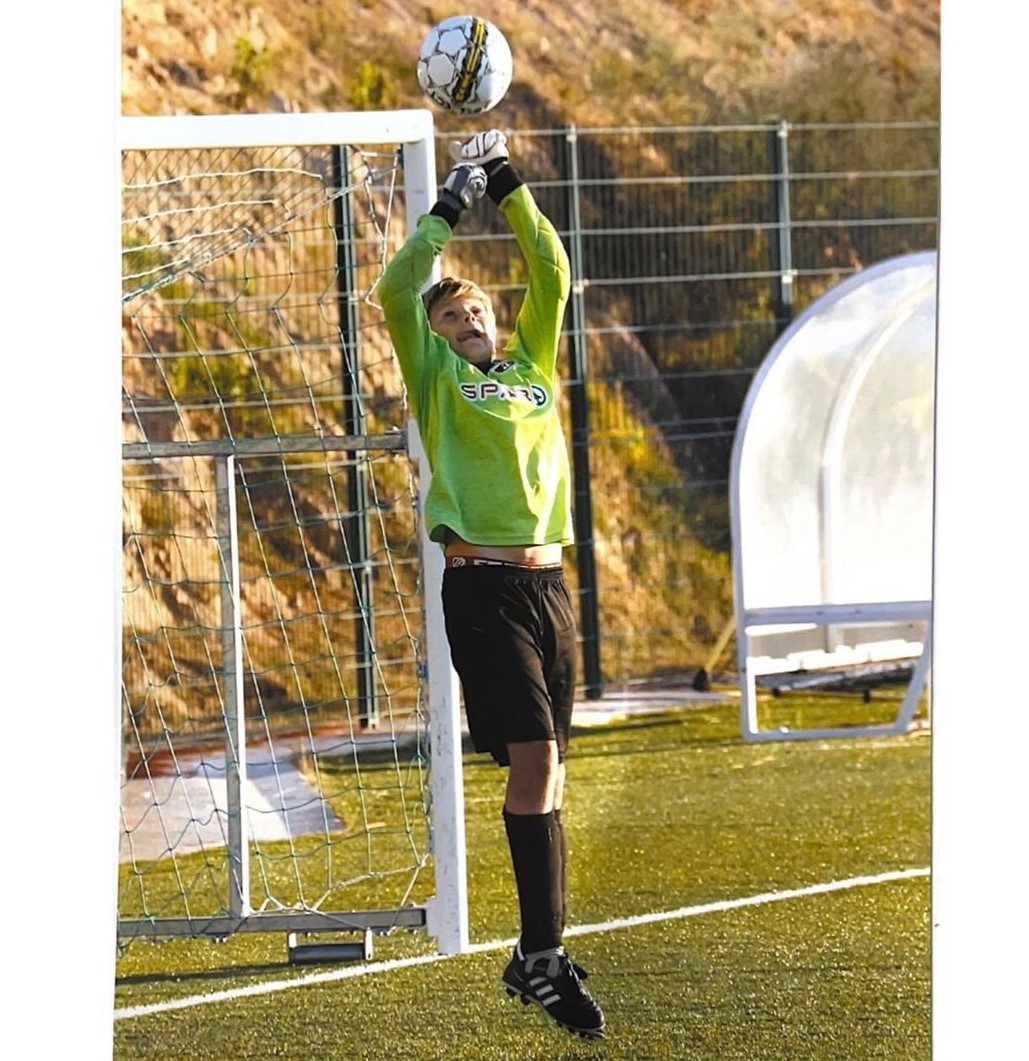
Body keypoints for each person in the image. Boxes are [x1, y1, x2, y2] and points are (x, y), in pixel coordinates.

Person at [378, 130, 605, 1041]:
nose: (465, 315)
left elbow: (552, 270)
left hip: (549, 585)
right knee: (535, 759)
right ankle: (541, 954)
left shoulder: (529, 367)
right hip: (482, 585)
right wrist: (451, 201)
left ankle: (536, 954)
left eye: (473, 307)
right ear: (434, 334)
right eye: (450, 313)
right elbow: (397, 286)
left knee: (549, 770)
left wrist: (508, 184)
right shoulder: (437, 377)